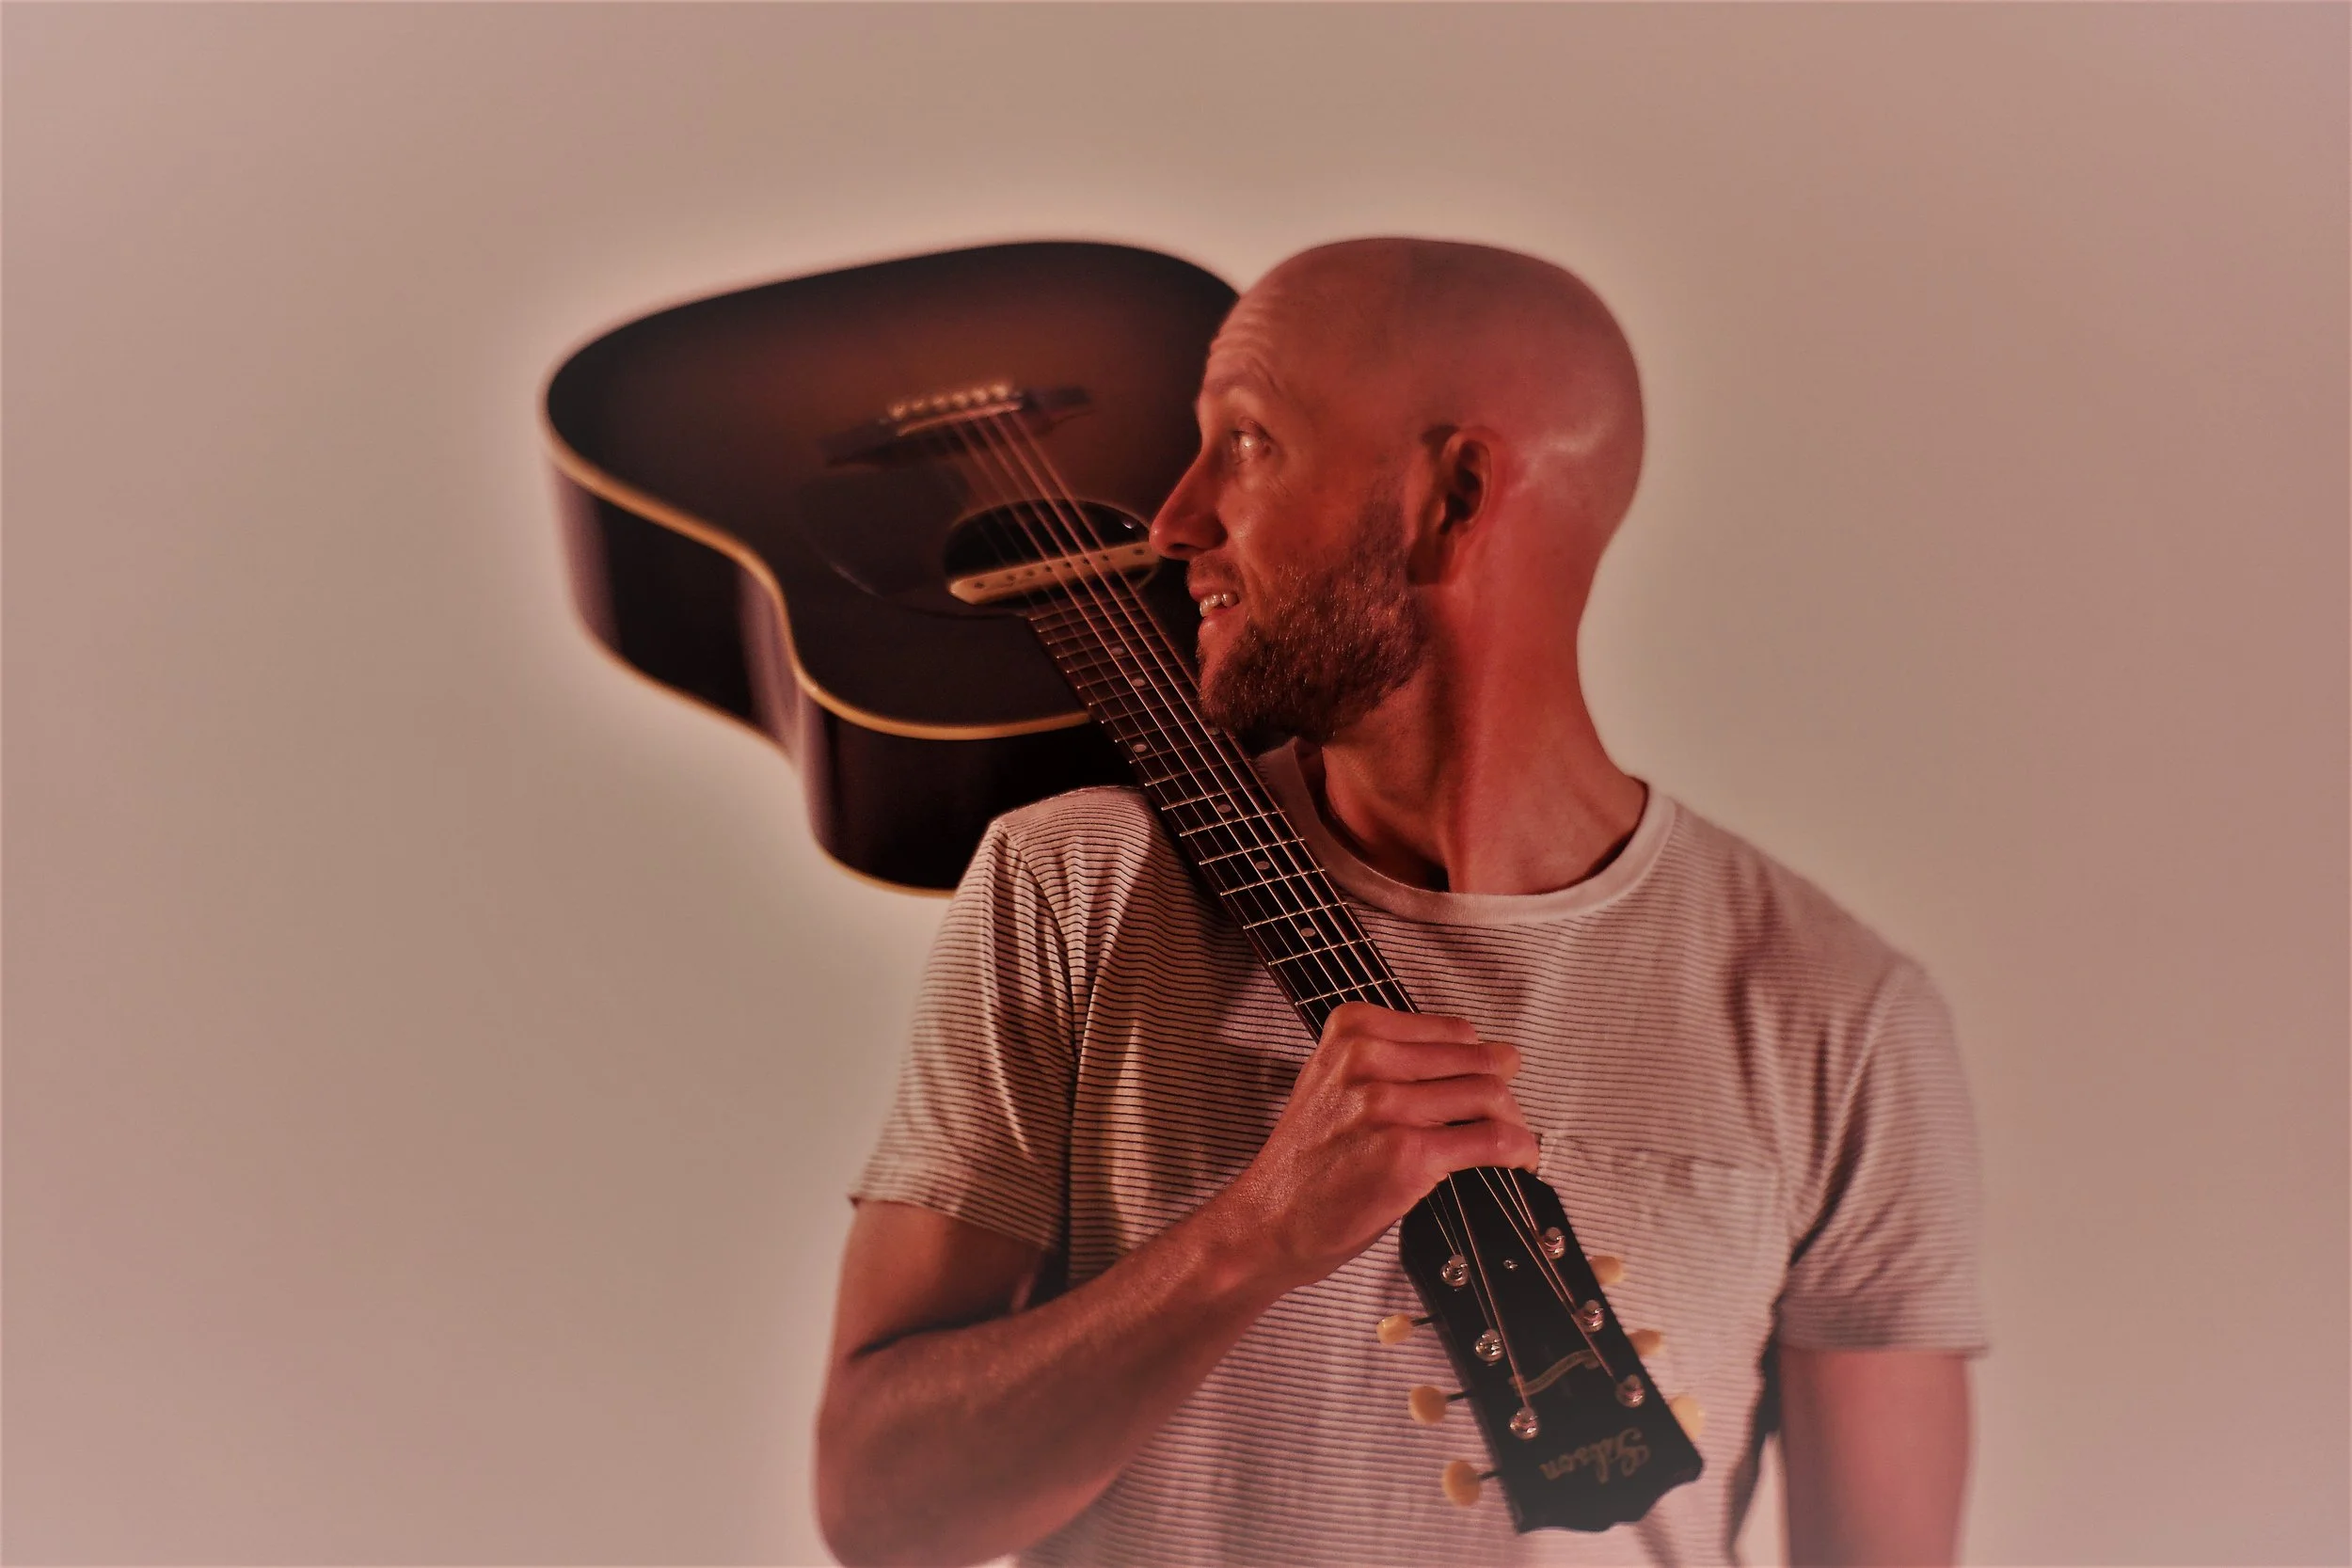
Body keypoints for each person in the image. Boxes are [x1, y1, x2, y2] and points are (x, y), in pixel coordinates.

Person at [814, 238, 1985, 1567]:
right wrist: (1251, 1238)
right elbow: (877, 1505)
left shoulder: (1837, 1014)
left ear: (1456, 493)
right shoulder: (1071, 887)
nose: (1173, 520)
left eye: (1247, 444)